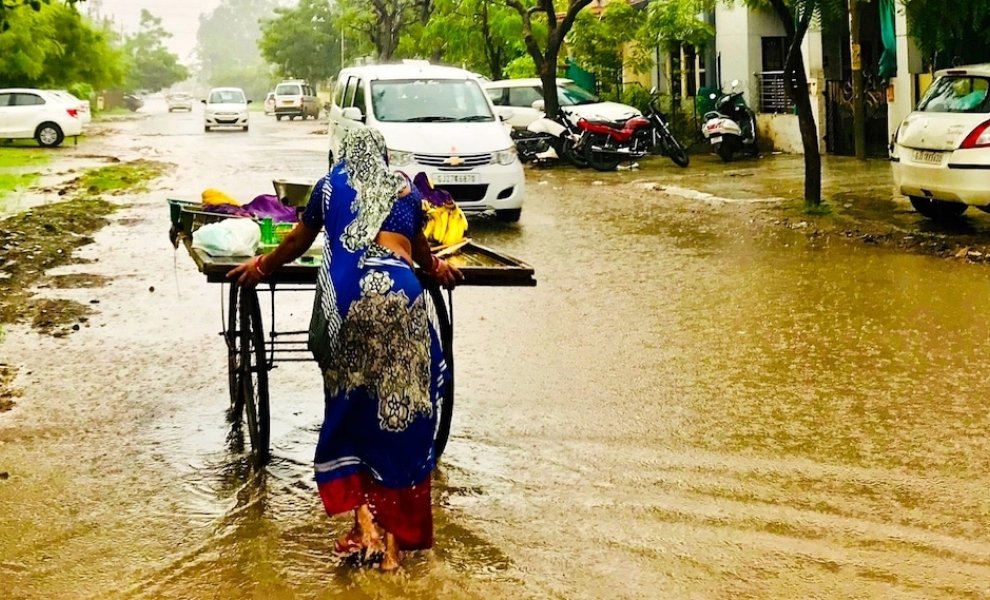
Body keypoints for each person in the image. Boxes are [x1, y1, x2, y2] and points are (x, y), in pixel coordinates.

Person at [227, 128, 463, 571]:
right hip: (403, 295)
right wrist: (441, 269)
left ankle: (364, 526)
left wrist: (261, 265)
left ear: (342, 156)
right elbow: (425, 257)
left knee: (350, 411)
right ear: (383, 156)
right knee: (402, 412)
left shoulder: (329, 185)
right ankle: (392, 552)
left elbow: (298, 243)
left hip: (349, 303)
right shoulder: (404, 189)